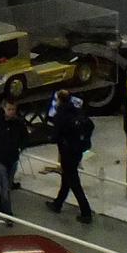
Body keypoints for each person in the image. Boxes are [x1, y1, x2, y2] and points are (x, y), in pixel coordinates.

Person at [45, 91, 95, 224]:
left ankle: (86, 212)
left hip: (67, 152)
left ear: (59, 100)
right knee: (67, 178)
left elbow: (55, 136)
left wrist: (50, 138)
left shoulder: (60, 115)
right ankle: (58, 203)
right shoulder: (77, 111)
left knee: (73, 182)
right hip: (77, 151)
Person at [0, 99, 27, 216]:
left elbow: (25, 137)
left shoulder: (19, 123)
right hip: (1, 159)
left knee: (8, 185)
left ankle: (0, 204)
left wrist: (20, 147)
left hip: (13, 158)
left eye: (13, 109)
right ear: (4, 108)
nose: (11, 112)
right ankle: (7, 212)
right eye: (9, 109)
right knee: (5, 186)